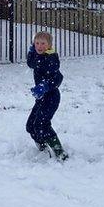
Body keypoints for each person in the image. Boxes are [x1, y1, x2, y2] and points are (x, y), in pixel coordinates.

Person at [26, 32, 68, 161]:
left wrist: (45, 86)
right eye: (37, 43)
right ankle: (43, 149)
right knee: (31, 126)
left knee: (42, 125)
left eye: (43, 43)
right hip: (41, 98)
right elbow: (32, 63)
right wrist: (32, 52)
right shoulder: (38, 57)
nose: (39, 46)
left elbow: (58, 78)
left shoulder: (51, 59)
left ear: (49, 46)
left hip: (51, 97)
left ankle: (60, 152)